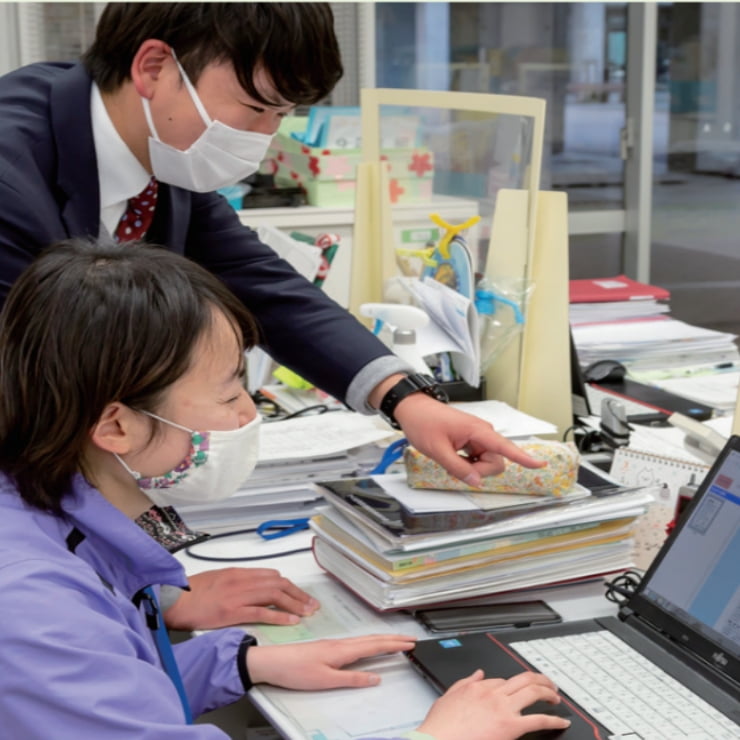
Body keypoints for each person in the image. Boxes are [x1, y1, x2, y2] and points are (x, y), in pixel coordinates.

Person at [0, 2, 543, 630]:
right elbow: (36, 396)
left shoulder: (159, 150)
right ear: (153, 66)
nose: (264, 137)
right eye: (255, 109)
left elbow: (261, 283)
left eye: (283, 116)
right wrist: (158, 592)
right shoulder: (13, 170)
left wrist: (407, 399)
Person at [0, 238, 570, 739]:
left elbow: (105, 692)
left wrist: (243, 663)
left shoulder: (47, 510)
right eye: (228, 396)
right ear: (116, 427)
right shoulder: (33, 608)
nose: (249, 413)